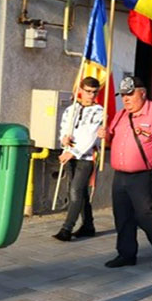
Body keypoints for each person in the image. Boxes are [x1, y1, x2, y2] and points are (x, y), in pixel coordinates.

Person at [97, 76, 152, 269]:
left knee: (147, 215)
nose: (125, 99)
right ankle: (126, 254)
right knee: (122, 215)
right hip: (120, 175)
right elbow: (112, 141)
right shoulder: (121, 115)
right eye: (123, 95)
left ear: (142, 93)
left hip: (145, 175)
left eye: (130, 94)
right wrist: (106, 136)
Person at [52, 77, 104, 241]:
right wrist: (63, 140)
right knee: (78, 192)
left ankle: (66, 229)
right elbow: (63, 127)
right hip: (69, 155)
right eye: (88, 91)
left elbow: (90, 136)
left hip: (86, 157)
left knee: (75, 191)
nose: (91, 95)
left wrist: (73, 152)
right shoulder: (70, 109)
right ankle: (88, 226)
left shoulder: (99, 111)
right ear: (80, 90)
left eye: (94, 92)